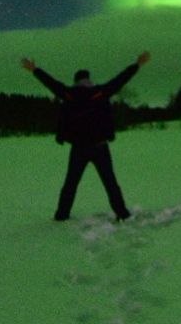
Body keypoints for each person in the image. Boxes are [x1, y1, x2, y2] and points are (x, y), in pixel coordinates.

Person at [21, 51, 149, 221]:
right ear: (89, 80)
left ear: (75, 81)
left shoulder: (69, 94)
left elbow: (51, 83)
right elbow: (120, 80)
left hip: (79, 148)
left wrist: (35, 69)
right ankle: (122, 213)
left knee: (70, 184)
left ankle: (61, 215)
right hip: (100, 147)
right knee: (110, 183)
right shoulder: (100, 93)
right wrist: (137, 64)